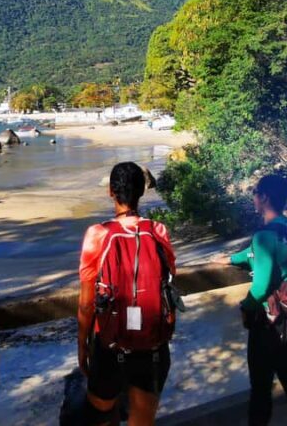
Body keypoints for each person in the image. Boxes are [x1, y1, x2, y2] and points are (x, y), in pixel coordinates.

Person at [77, 162, 177, 426]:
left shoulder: (97, 234)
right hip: (152, 345)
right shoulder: (158, 231)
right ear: (142, 191)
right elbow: (168, 281)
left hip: (110, 345)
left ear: (111, 191)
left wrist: (82, 346)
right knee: (142, 421)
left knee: (98, 415)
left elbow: (87, 304)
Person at [214, 174, 287, 426]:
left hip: (271, 320)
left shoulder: (264, 235)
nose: (254, 197)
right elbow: (257, 253)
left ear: (264, 198)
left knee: (260, 386)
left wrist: (245, 307)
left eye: (256, 192)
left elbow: (261, 285)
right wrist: (233, 259)